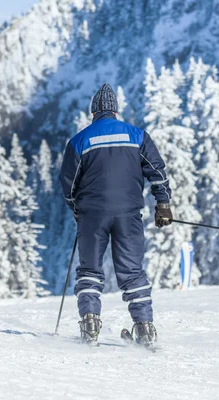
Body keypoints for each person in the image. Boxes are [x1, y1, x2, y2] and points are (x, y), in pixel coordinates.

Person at [59, 84, 173, 347]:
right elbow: (157, 171)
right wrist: (163, 205)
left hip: (92, 216)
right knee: (132, 272)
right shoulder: (137, 135)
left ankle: (89, 323)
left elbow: (68, 183)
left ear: (94, 111)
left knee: (89, 270)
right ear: (115, 110)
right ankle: (144, 328)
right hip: (128, 215)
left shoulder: (80, 140)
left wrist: (76, 209)